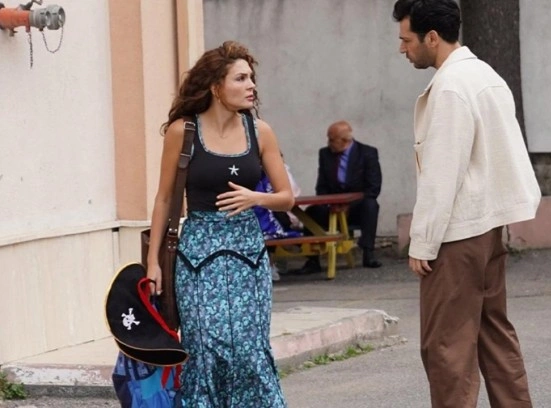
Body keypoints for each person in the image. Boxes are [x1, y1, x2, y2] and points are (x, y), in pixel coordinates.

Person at [393, 1, 542, 407]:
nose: (402, 48)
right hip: (489, 228)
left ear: (432, 37)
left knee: (446, 348)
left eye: (406, 40)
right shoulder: (486, 76)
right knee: (495, 337)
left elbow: (442, 173)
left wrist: (423, 242)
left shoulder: (451, 87)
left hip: (457, 235)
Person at [146, 41, 292, 407]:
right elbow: (164, 198)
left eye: (251, 78)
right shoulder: (183, 131)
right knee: (204, 347)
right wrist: (153, 262)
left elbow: (286, 197)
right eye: (240, 78)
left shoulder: (260, 131)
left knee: (249, 348)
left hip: (248, 255)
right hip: (197, 255)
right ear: (215, 86)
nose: (251, 85)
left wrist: (255, 198)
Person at [290, 120, 383, 274]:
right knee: (311, 213)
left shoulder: (367, 153)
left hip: (356, 207)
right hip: (332, 206)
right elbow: (321, 186)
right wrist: (329, 204)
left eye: (332, 140)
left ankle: (368, 253)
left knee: (371, 205)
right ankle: (312, 260)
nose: (329, 143)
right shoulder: (325, 154)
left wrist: (348, 204)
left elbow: (373, 188)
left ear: (345, 140)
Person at [253, 162, 303, 281]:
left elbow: (291, 196)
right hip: (264, 216)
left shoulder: (278, 171)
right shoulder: (255, 175)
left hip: (281, 215)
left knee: (270, 227)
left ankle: (271, 263)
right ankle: (270, 263)